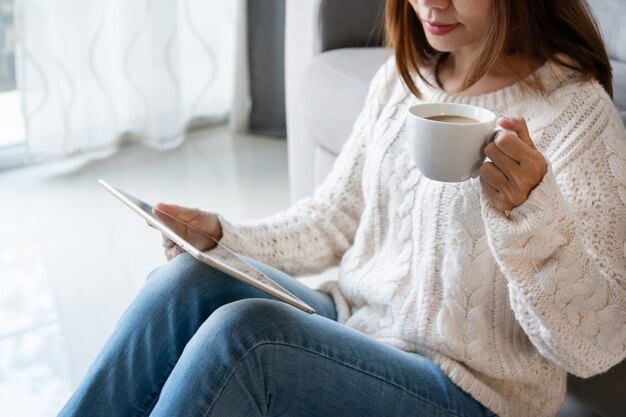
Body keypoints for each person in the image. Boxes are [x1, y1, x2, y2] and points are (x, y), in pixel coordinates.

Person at [59, 1, 626, 416]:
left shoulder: (576, 115)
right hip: (362, 330)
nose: (430, 3)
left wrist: (532, 216)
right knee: (186, 281)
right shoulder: (405, 79)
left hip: (474, 395)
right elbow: (334, 215)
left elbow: (593, 345)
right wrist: (222, 238)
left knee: (248, 337)